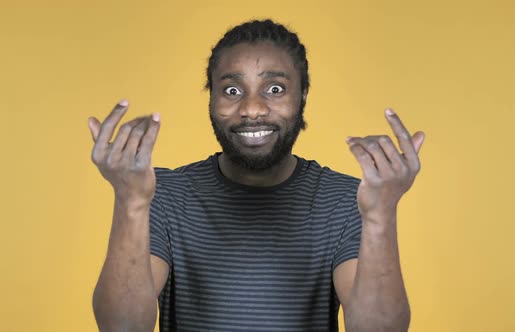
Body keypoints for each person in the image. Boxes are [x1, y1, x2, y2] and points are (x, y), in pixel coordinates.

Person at [88, 19, 424, 332]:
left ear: (303, 95)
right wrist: (130, 201)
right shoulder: (163, 195)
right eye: (232, 91)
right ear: (211, 98)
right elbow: (123, 327)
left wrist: (381, 214)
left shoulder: (346, 200)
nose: (251, 109)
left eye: (275, 89)